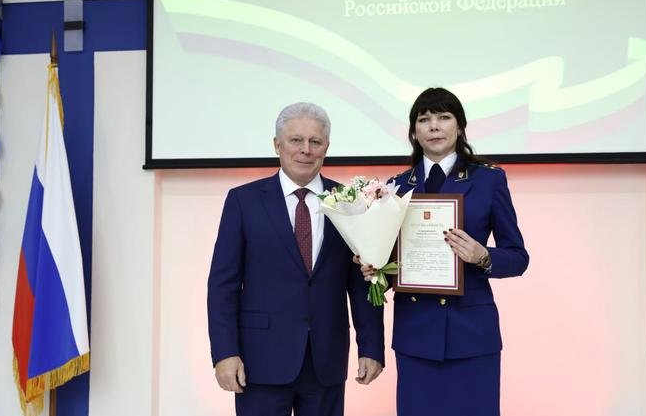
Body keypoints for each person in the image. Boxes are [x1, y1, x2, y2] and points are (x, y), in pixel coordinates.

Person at [207, 102, 385, 416]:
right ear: (277, 145)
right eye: (296, 140)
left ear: (326, 147)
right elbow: (223, 286)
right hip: (259, 361)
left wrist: (371, 347)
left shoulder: (351, 203)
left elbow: (362, 283)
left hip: (326, 360)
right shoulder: (243, 201)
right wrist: (224, 353)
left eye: (315, 142)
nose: (306, 150)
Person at [360, 87, 529, 415]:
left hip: (472, 335)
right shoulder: (394, 187)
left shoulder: (489, 180)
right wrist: (377, 270)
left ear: (460, 126)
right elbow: (391, 262)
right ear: (414, 131)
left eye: (444, 117)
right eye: (424, 119)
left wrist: (483, 256)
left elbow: (518, 257)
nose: (434, 126)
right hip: (416, 334)